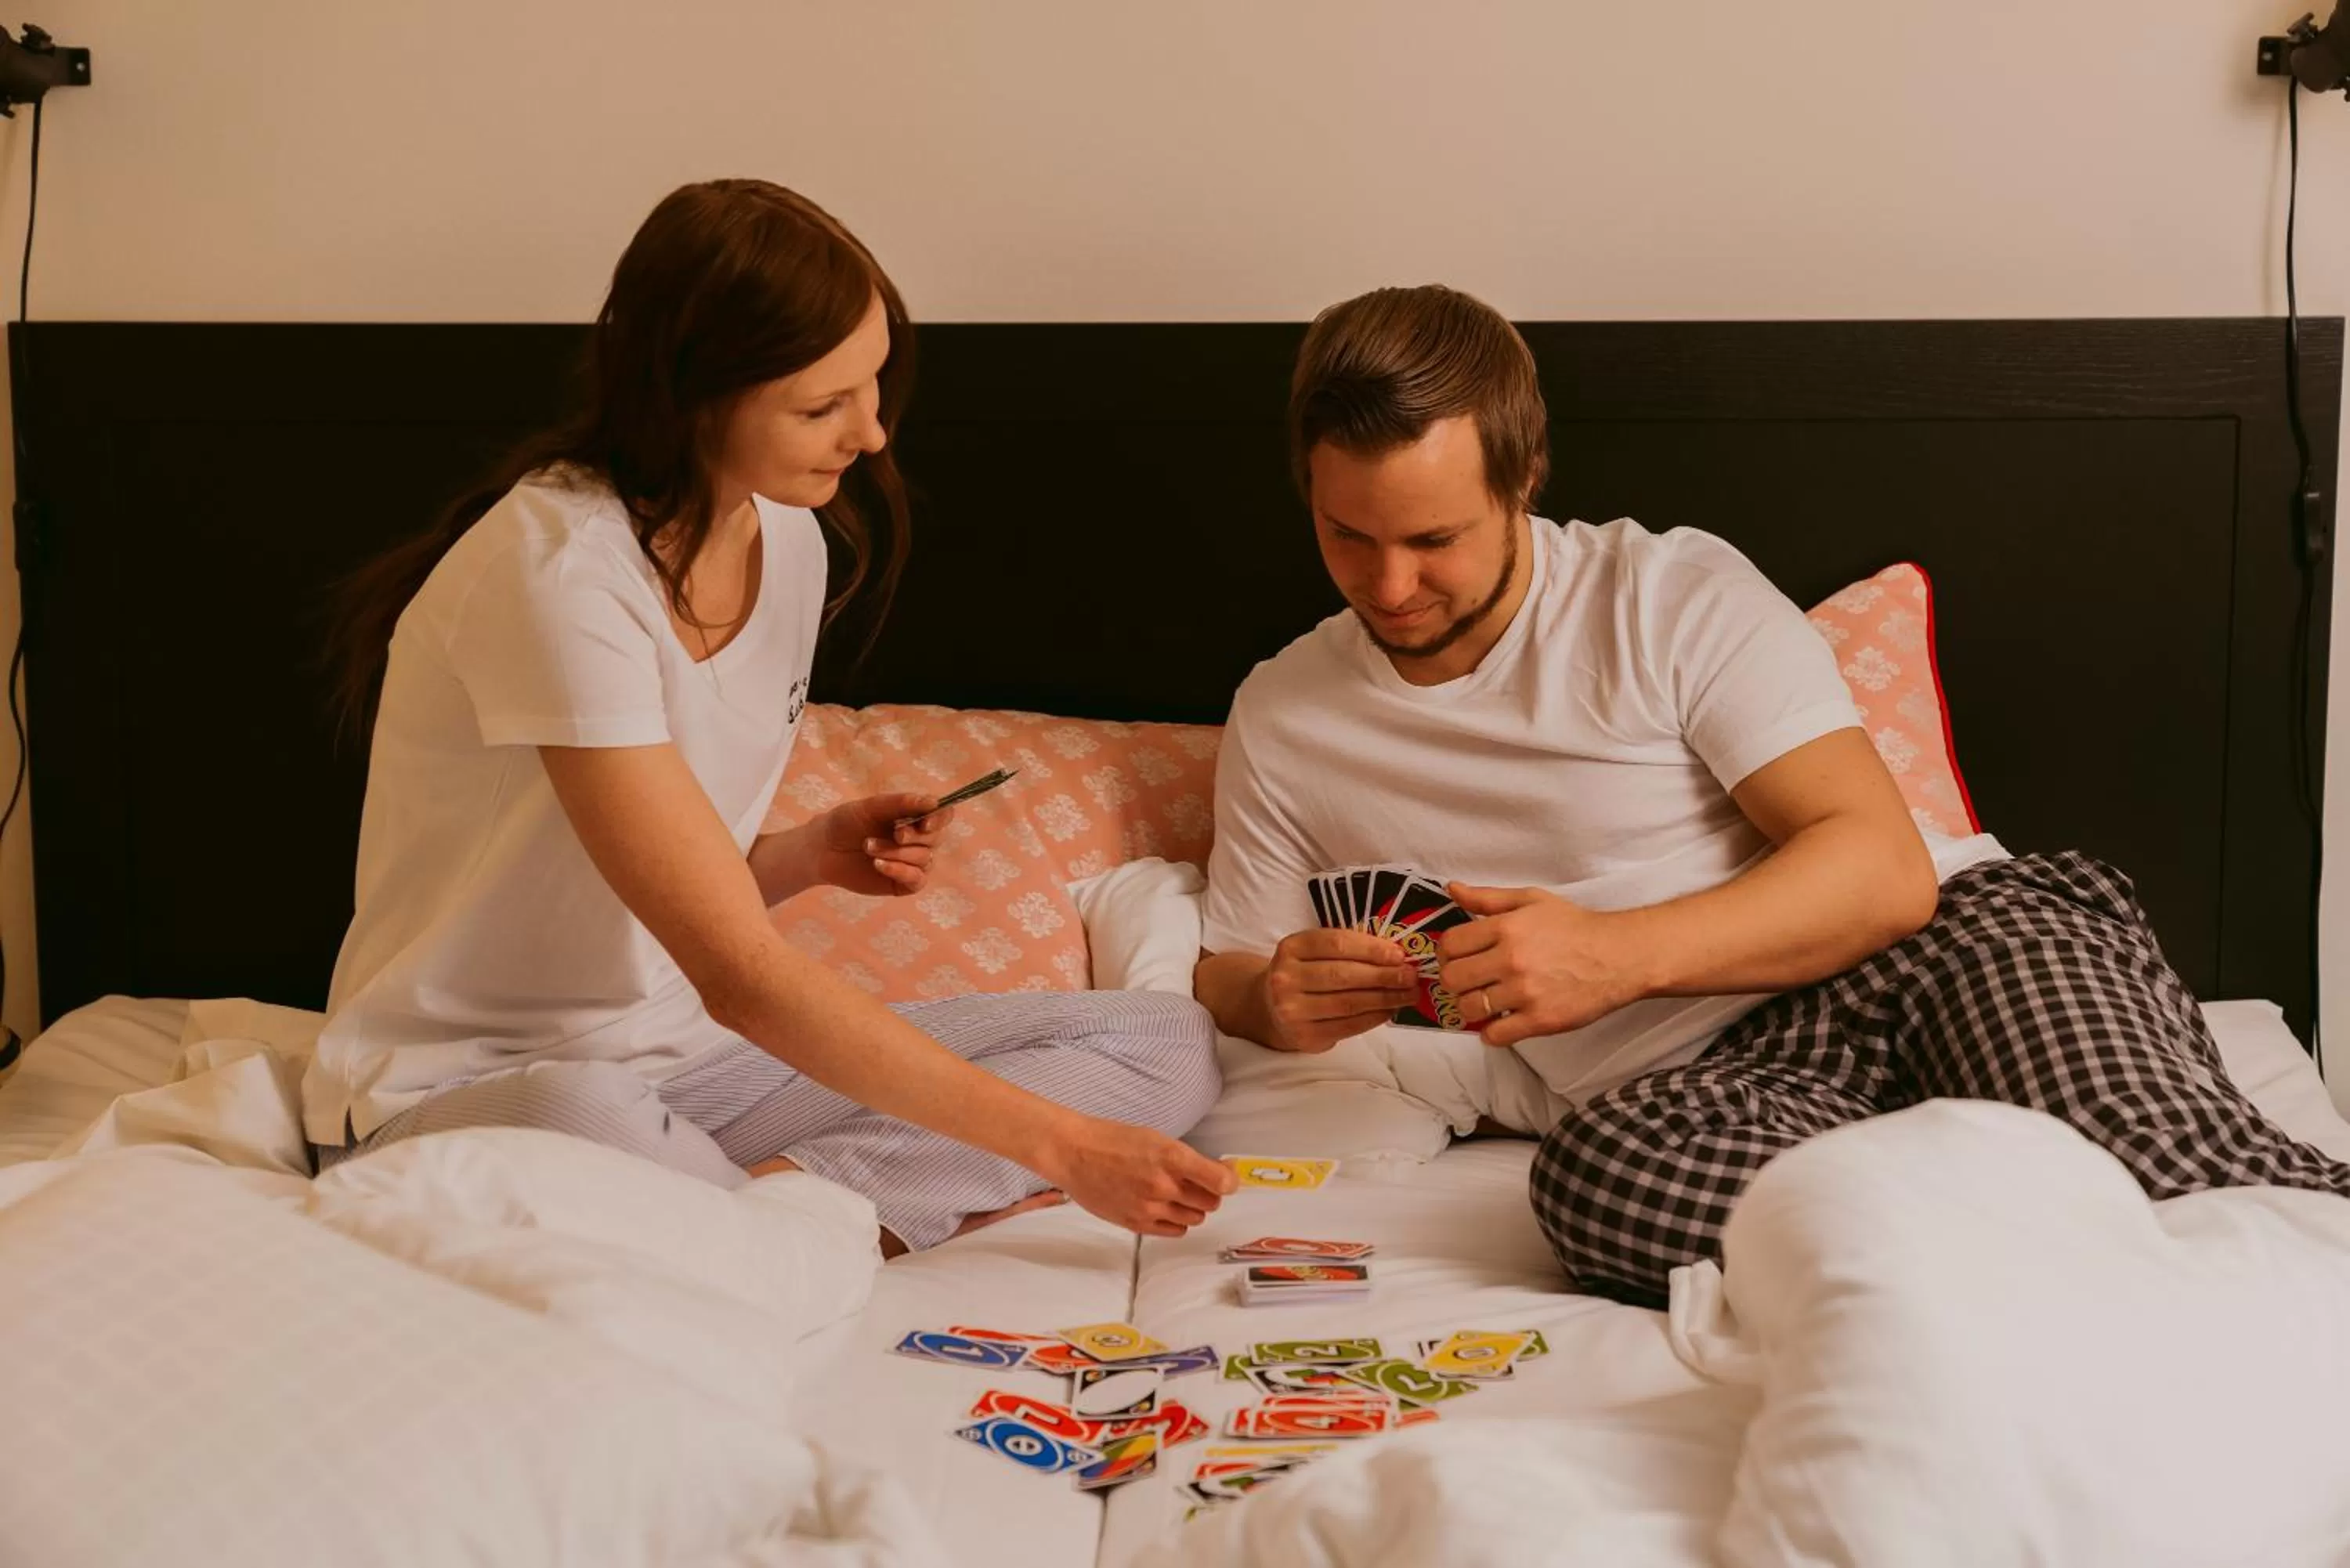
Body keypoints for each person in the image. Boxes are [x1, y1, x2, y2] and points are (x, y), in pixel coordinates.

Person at [1191, 283, 2350, 1306]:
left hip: (1939, 952)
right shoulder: (1287, 713)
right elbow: (1228, 968)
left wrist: (1613, 955)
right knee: (1597, 1187)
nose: (1389, 584)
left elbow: (1881, 869)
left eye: (1434, 538)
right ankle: (2039, 1237)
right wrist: (1275, 1000)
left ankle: (2091, 1205)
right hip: (1707, 1093)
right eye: (1348, 536)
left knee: (2160, 1166)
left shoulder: (1668, 594)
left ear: (1525, 476)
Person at [311, 179, 1231, 1254]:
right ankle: (800, 1222)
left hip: (687, 1064)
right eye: (820, 405)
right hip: (473, 1085)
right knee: (597, 1120)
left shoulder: (788, 536)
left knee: (1158, 1038)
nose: (872, 432)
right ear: (691, 394)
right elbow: (741, 972)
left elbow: (668, 906)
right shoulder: (560, 576)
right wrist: (1065, 1148)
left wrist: (802, 854)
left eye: (873, 385)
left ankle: (778, 1214)